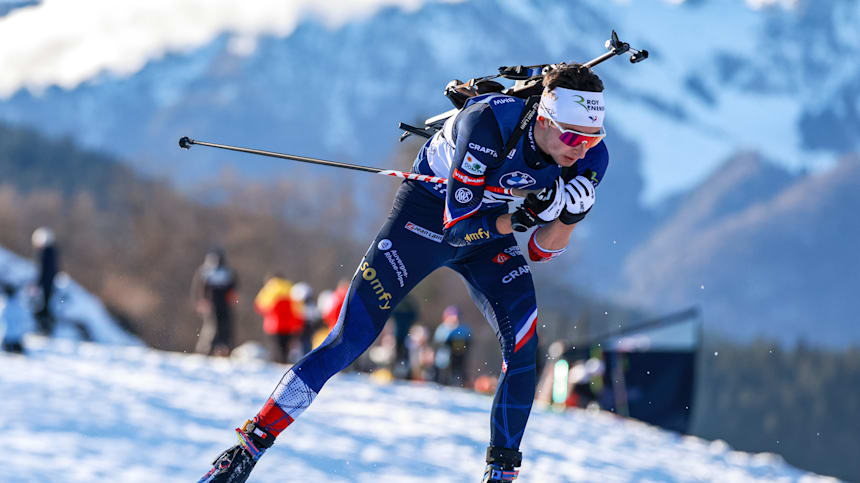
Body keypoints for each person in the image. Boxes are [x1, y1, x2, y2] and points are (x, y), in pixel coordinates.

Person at [198, 63, 609, 483]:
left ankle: (501, 476)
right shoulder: (488, 121)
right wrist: (523, 216)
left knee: (523, 344)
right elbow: (458, 229)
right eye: (573, 136)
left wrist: (572, 216)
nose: (580, 149)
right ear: (543, 117)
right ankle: (247, 449)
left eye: (591, 137)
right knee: (349, 338)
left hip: (489, 229)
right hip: (427, 220)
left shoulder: (592, 155)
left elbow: (543, 250)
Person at [191, 247, 239, 356]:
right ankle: (206, 349)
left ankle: (224, 349)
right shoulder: (205, 271)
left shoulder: (228, 272)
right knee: (211, 327)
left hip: (224, 305)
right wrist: (200, 301)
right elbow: (198, 288)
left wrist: (233, 299)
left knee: (225, 327)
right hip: (211, 304)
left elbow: (233, 288)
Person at [254, 273, 304, 364]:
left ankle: (277, 363)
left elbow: (260, 306)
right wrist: (298, 324)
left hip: (273, 325)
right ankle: (284, 362)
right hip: (289, 325)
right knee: (286, 348)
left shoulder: (270, 288)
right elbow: (298, 309)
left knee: (275, 348)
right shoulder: (290, 288)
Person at [433, 305, 473, 387]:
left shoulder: (463, 329)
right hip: (443, 361)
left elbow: (469, 340)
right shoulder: (442, 329)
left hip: (458, 360)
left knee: (458, 374)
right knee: (442, 377)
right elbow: (438, 344)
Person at [31, 227, 59, 335]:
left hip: (44, 286)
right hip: (49, 285)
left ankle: (44, 329)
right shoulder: (53, 251)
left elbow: (42, 270)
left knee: (43, 308)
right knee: (46, 307)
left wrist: (37, 284)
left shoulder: (46, 253)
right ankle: (46, 329)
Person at [390, 294, 419, 379]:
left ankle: (404, 373)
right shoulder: (407, 302)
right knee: (400, 353)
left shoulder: (402, 302)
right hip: (401, 334)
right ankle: (397, 372)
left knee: (404, 354)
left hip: (404, 334)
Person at [1, 283, 31, 354]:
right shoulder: (19, 305)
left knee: (8, 349)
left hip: (7, 336)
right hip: (17, 337)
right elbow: (24, 319)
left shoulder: (4, 306)